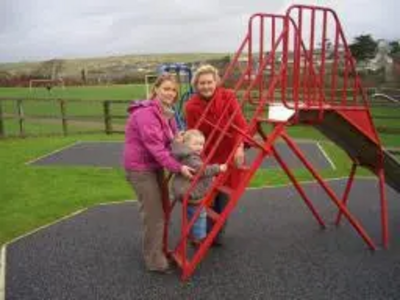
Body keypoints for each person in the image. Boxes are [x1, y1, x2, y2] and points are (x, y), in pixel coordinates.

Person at [123, 74, 194, 274]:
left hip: (153, 166)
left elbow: (170, 142)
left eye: (173, 90)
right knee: (154, 215)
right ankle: (154, 260)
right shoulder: (146, 114)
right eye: (166, 88)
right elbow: (156, 148)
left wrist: (179, 138)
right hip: (140, 168)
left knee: (164, 209)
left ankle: (158, 249)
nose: (170, 93)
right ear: (156, 90)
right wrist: (179, 167)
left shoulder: (167, 114)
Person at [184, 64, 248, 246]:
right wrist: (196, 158)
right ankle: (198, 234)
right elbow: (193, 134)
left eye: (209, 82)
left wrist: (239, 147)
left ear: (216, 82)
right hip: (207, 154)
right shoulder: (191, 106)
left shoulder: (228, 96)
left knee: (224, 198)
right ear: (196, 85)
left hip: (229, 153)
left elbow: (240, 124)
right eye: (202, 83)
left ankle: (216, 234)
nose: (206, 86)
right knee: (203, 197)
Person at [170, 129, 227, 245]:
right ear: (186, 144)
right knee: (200, 214)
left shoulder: (182, 153)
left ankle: (191, 233)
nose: (199, 147)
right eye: (195, 144)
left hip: (181, 189)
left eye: (201, 144)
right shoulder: (191, 157)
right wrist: (218, 168)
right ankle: (199, 237)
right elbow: (201, 170)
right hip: (191, 192)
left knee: (191, 213)